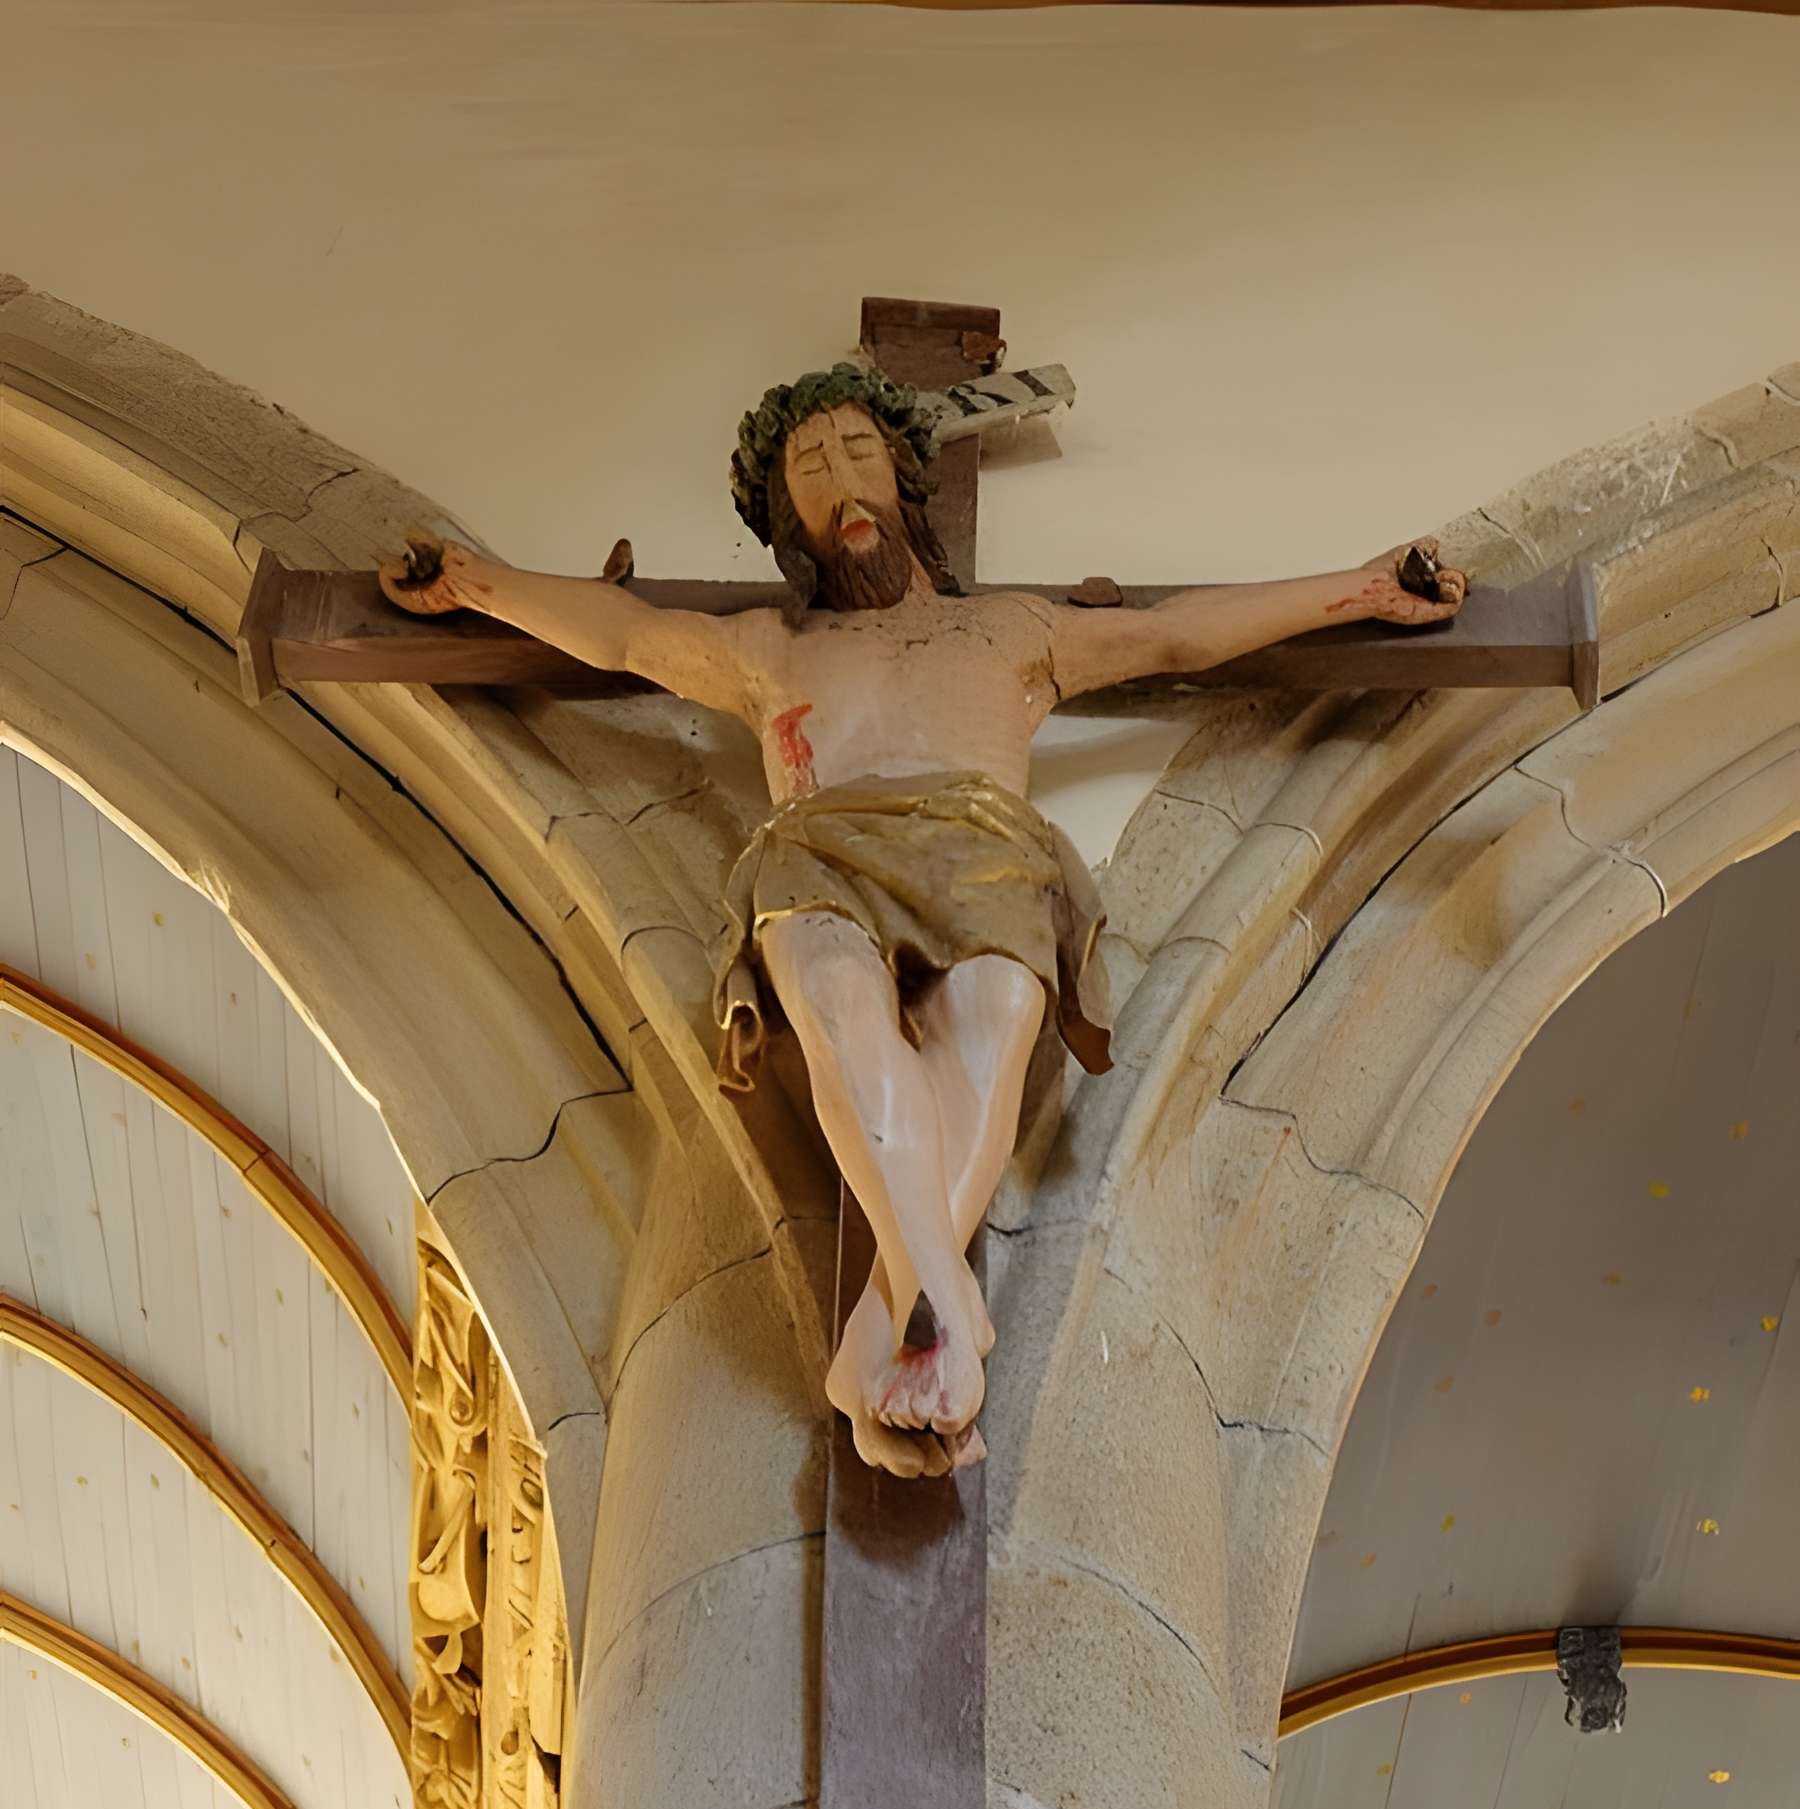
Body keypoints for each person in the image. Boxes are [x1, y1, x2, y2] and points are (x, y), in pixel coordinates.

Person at [382, 363, 1466, 1475]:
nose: (841, 486)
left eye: (858, 457)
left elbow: (1181, 636)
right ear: (786, 521)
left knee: (993, 1020)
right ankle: (944, 1312)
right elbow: (622, 635)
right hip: (824, 848)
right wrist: (475, 580)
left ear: (903, 481)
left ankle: (891, 1327)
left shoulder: (1013, 633)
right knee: (840, 1013)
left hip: (984, 849)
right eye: (811, 473)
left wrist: (1362, 592)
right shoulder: (773, 650)